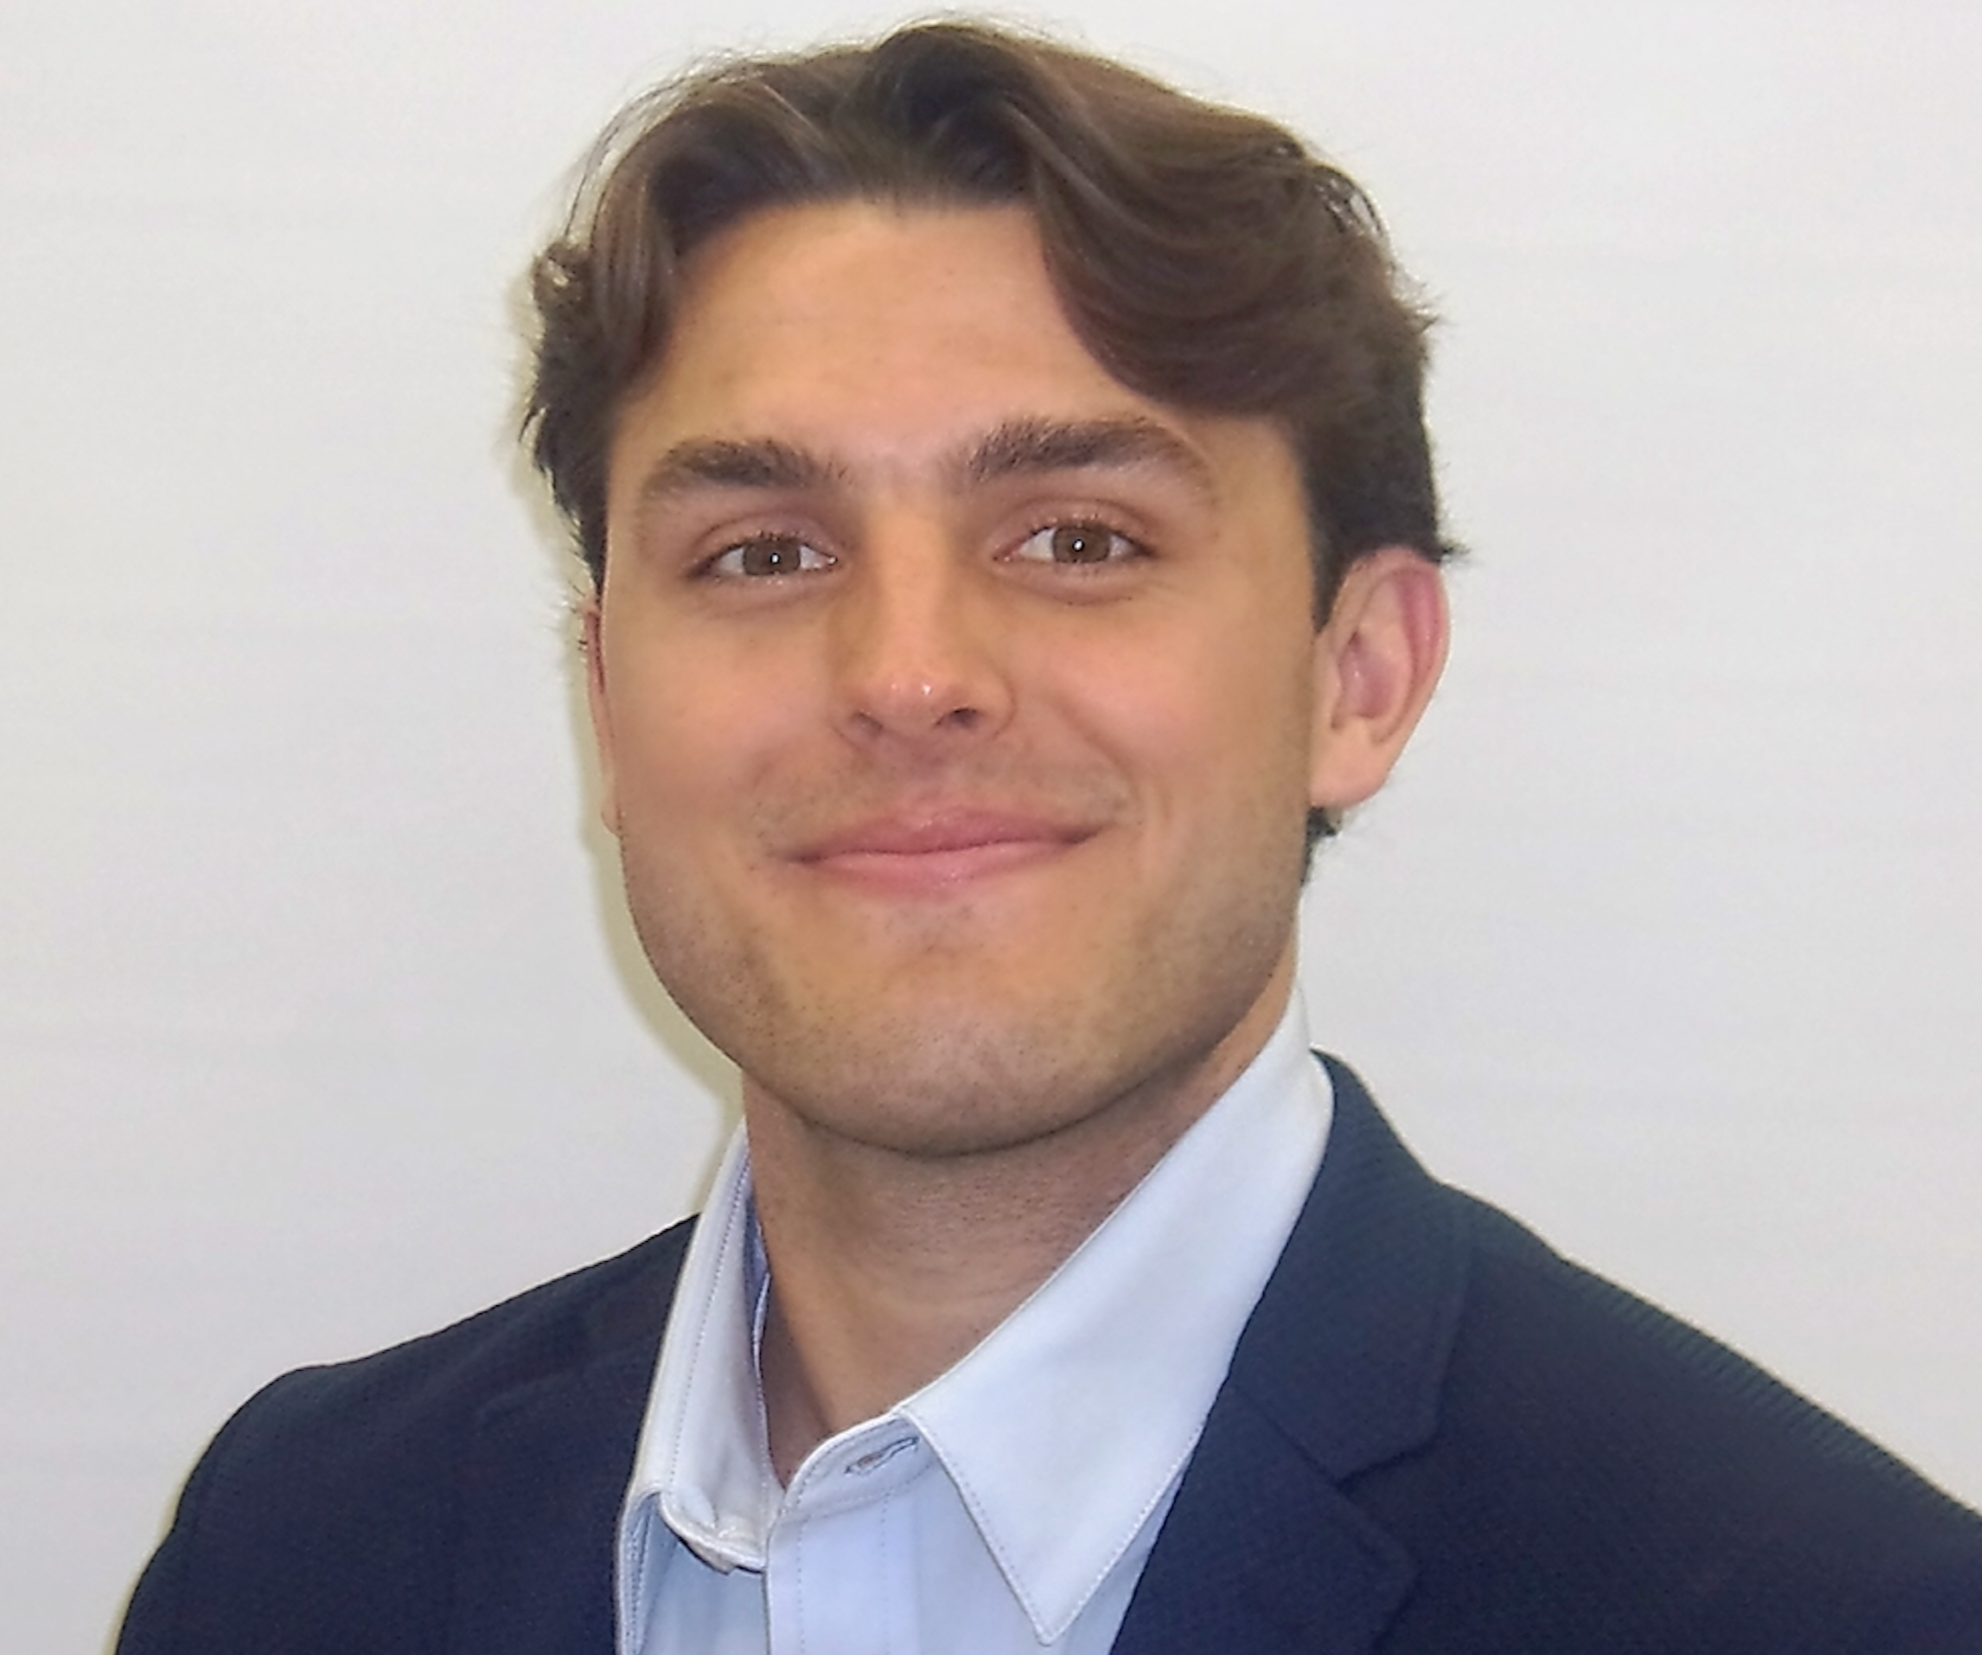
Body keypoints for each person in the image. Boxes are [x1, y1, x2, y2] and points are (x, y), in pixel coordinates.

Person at [114, 20, 1982, 1654]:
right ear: (608, 703)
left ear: (1359, 672)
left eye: (1078, 536)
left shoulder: (1833, 1608)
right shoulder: (298, 1548)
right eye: (762, 553)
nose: (910, 671)